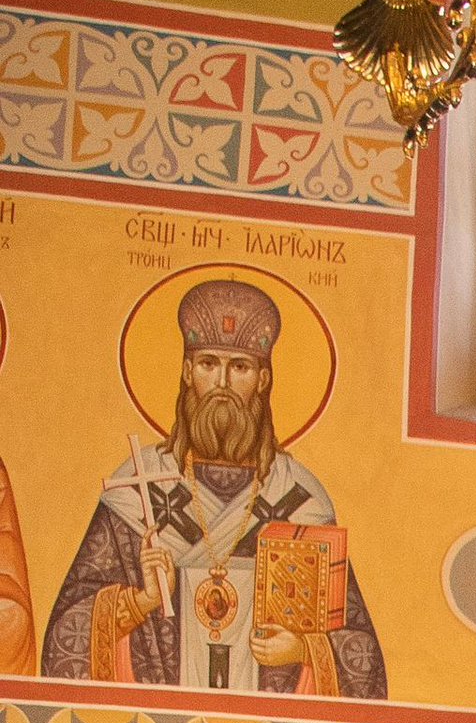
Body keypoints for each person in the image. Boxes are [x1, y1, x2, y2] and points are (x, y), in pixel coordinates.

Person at [43, 276, 388, 697]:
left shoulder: (300, 497)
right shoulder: (138, 489)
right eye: (208, 363)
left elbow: (360, 650)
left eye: (239, 367)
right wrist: (142, 602)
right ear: (188, 372)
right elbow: (66, 630)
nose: (222, 383)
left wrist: (304, 649)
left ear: (262, 379)